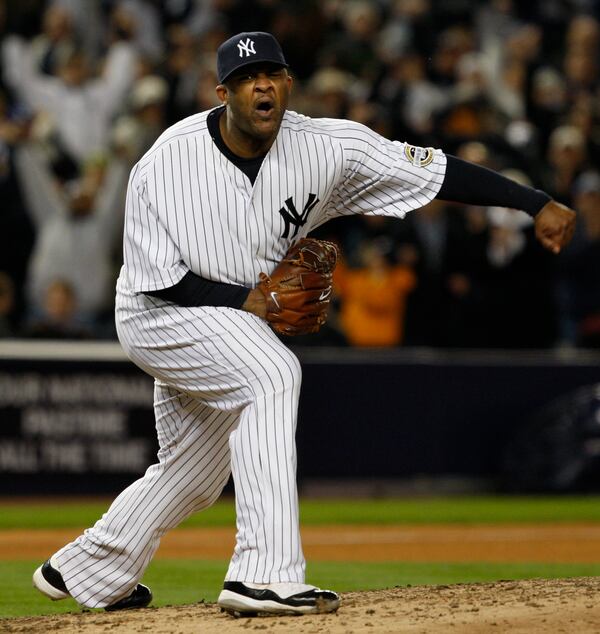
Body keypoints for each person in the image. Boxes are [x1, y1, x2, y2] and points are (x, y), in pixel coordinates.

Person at [32, 31, 576, 616]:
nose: (260, 84)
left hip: (234, 325)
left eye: (271, 73)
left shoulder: (327, 148)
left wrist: (533, 201)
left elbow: (434, 171)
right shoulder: (166, 160)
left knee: (196, 474)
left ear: (288, 83)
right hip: (160, 315)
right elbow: (160, 279)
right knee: (272, 373)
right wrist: (252, 303)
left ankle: (89, 568)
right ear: (223, 93)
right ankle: (263, 575)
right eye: (245, 78)